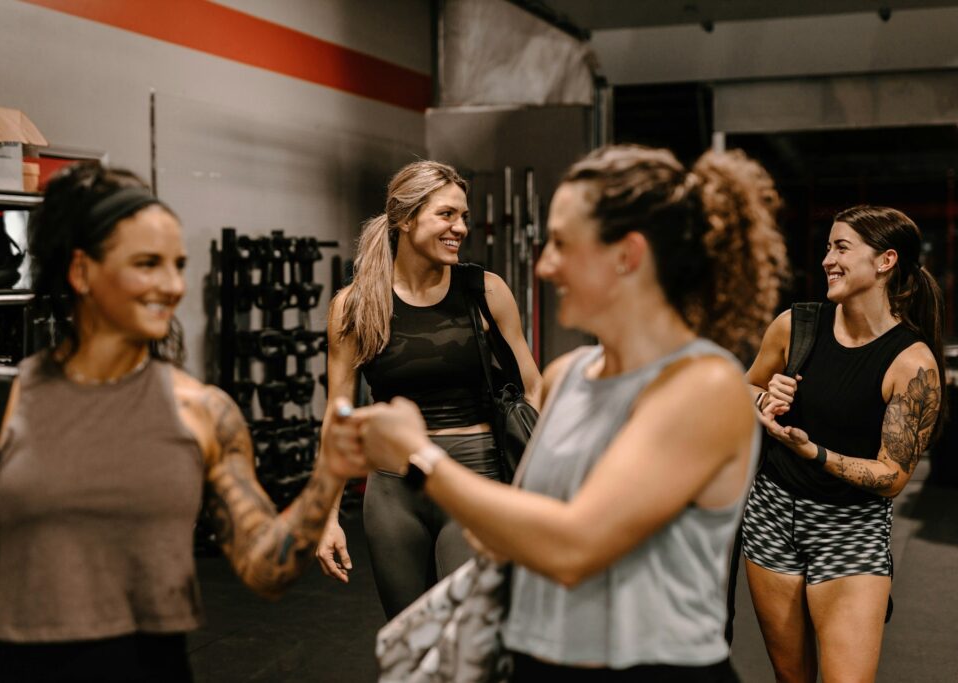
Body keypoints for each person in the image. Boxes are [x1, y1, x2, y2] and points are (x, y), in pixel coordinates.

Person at [330, 144, 789, 681]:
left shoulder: (702, 385)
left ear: (628, 256)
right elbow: (505, 530)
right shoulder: (571, 374)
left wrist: (420, 456)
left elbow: (573, 545)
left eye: (563, 244)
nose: (545, 265)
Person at [0, 162, 366, 682]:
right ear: (81, 272)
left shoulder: (202, 412)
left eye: (177, 265)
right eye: (147, 264)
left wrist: (329, 476)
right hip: (13, 666)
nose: (172, 285)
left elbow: (266, 569)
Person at [314, 160, 542, 619]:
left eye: (462, 217)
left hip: (474, 478)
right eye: (446, 215)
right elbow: (337, 420)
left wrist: (527, 483)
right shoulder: (355, 306)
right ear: (405, 218)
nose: (460, 227)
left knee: (466, 638)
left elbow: (534, 388)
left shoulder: (485, 291)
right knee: (409, 639)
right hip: (393, 492)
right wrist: (327, 516)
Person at [741, 205, 945, 683]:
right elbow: (745, 387)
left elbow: (891, 477)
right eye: (827, 247)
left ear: (885, 261)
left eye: (841, 247)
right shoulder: (797, 326)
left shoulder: (912, 365)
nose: (827, 259)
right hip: (771, 516)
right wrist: (764, 400)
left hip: (850, 530)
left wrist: (813, 451)